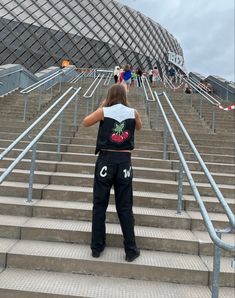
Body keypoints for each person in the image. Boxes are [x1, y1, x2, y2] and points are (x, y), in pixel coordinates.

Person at [82, 84, 142, 262]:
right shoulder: (133, 112)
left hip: (105, 160)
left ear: (109, 95)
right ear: (124, 96)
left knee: (99, 204)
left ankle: (97, 247)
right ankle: (130, 249)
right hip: (124, 162)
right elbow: (139, 127)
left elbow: (85, 122)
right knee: (125, 206)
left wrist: (102, 106)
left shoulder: (103, 111)